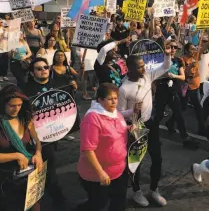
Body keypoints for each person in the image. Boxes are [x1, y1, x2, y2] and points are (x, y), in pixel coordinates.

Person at [118, 48, 172, 207]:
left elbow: (165, 67)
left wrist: (167, 54)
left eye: (144, 66)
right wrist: (132, 111)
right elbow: (120, 113)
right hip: (135, 127)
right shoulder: (124, 88)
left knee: (157, 158)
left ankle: (154, 190)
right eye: (140, 67)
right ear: (130, 69)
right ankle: (137, 192)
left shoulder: (147, 76)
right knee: (136, 162)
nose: (144, 68)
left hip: (150, 124)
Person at [25, 58, 76, 208]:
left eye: (45, 67)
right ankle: (57, 199)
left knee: (47, 168)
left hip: (54, 134)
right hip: (37, 139)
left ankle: (42, 197)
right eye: (38, 68)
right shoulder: (26, 90)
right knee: (47, 168)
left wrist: (72, 87)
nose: (43, 70)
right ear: (32, 72)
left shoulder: (57, 86)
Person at [76, 83, 129, 211]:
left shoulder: (115, 113)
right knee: (98, 204)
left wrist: (128, 129)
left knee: (119, 201)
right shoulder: (92, 119)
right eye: (110, 99)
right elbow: (88, 150)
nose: (114, 102)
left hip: (119, 171)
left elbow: (117, 130)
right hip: (98, 175)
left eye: (116, 98)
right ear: (100, 100)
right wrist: (100, 173)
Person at [0, 85, 43, 211]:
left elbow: (36, 140)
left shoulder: (25, 118)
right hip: (7, 179)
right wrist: (16, 155)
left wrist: (38, 153)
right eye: (12, 106)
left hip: (30, 175)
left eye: (19, 105)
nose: (16, 109)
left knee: (34, 206)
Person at [155, 39, 199, 149]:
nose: (173, 49)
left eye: (175, 47)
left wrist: (174, 76)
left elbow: (183, 76)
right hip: (161, 90)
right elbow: (154, 76)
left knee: (179, 114)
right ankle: (153, 136)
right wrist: (164, 75)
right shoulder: (159, 60)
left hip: (173, 90)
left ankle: (184, 137)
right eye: (171, 47)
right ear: (166, 47)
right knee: (158, 115)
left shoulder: (178, 60)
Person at [181, 43, 206, 135]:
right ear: (186, 50)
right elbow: (184, 75)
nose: (194, 51)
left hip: (196, 88)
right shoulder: (182, 59)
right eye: (192, 49)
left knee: (199, 109)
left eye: (194, 49)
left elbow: (205, 47)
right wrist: (190, 67)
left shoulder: (195, 56)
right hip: (187, 88)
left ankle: (201, 129)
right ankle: (170, 122)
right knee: (182, 108)